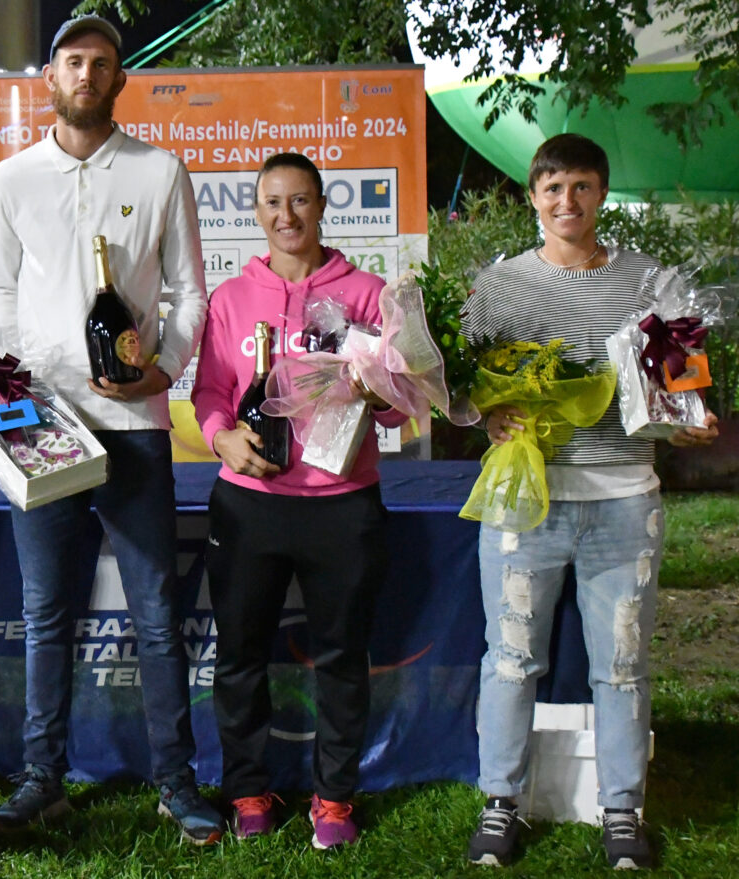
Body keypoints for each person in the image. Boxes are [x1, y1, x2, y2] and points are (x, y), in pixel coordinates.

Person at [0, 15, 222, 845]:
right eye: (72, 61)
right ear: (50, 76)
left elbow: (190, 294)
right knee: (47, 610)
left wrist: (165, 367)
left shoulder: (160, 171)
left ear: (121, 79)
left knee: (155, 611)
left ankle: (176, 782)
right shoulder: (10, 179)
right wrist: (12, 388)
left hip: (134, 425)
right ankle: (41, 777)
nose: (86, 73)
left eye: (102, 63)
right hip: (43, 427)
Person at [461, 133, 718, 870]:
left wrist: (690, 415)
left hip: (625, 500)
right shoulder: (498, 286)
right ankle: (500, 802)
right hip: (526, 503)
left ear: (602, 194)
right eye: (552, 188)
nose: (566, 201)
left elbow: (684, 380)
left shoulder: (654, 285)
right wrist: (486, 414)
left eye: (580, 186)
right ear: (532, 198)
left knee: (624, 663)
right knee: (510, 659)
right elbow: (456, 386)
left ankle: (622, 810)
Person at [191, 152, 405, 849]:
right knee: (239, 655)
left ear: (321, 205)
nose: (287, 216)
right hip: (249, 504)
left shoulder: (368, 294)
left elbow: (399, 409)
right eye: (272, 202)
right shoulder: (231, 298)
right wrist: (222, 438)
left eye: (300, 200)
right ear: (256, 212)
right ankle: (247, 790)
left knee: (341, 656)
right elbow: (209, 392)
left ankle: (334, 798)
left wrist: (379, 387)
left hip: (343, 503)